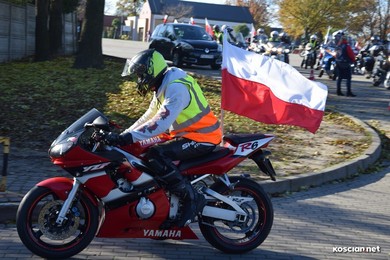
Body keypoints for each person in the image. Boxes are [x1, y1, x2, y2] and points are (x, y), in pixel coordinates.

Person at [104, 49, 222, 227]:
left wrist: (128, 138)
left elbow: (159, 123)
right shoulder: (163, 86)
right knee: (142, 152)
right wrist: (123, 137)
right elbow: (148, 117)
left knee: (155, 156)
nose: (139, 79)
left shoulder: (176, 88)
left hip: (203, 137)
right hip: (187, 135)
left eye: (140, 74)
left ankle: (191, 199)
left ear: (151, 70)